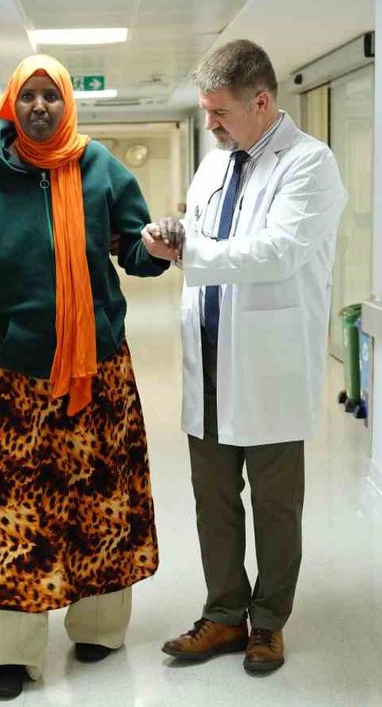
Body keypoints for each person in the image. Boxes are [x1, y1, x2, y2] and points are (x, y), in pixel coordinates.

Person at [0, 54, 170, 699]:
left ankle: (98, 628)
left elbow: (135, 251)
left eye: (51, 96)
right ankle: (14, 652)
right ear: (13, 104)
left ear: (68, 103)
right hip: (10, 379)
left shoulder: (101, 169)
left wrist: (155, 247)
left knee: (102, 500)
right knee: (12, 512)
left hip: (97, 370)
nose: (40, 106)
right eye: (29, 96)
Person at [141, 39, 348, 674]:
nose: (210, 123)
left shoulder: (310, 164)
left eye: (219, 112)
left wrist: (190, 254)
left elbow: (278, 251)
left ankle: (269, 623)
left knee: (275, 506)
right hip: (208, 358)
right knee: (214, 501)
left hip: (269, 367)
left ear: (261, 103)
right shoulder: (213, 165)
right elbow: (203, 235)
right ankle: (225, 615)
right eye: (206, 111)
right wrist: (172, 234)